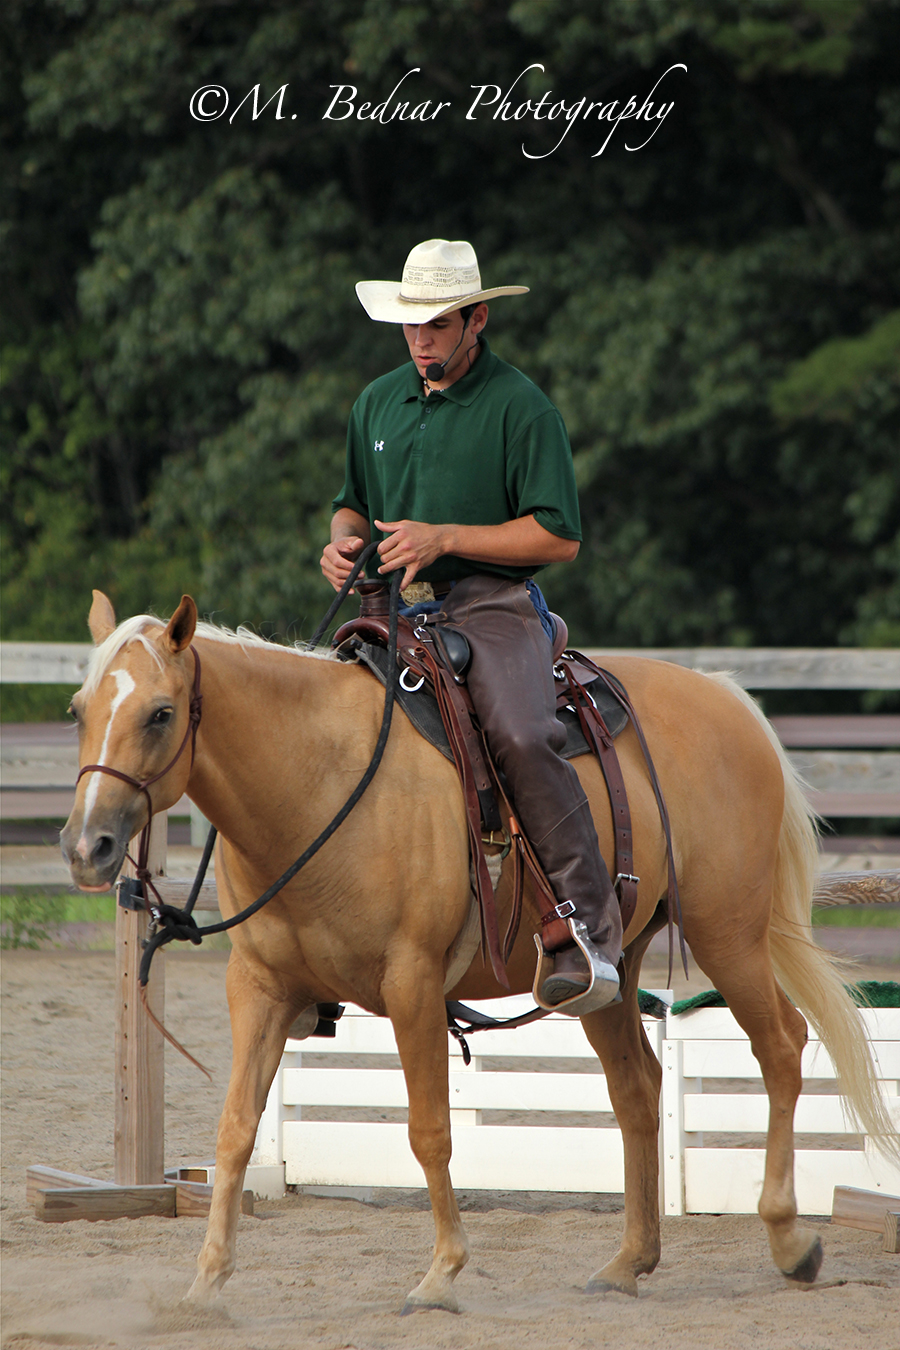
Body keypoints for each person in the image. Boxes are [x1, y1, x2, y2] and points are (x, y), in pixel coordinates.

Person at [321, 238, 622, 1012]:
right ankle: (315, 948)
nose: (420, 338)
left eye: (437, 322)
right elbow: (352, 498)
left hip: (492, 604)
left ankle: (587, 927)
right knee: (321, 727)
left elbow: (559, 537)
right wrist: (341, 540)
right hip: (387, 601)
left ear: (477, 318)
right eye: (409, 323)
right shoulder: (376, 402)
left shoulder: (522, 408)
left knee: (522, 734)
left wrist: (445, 538)